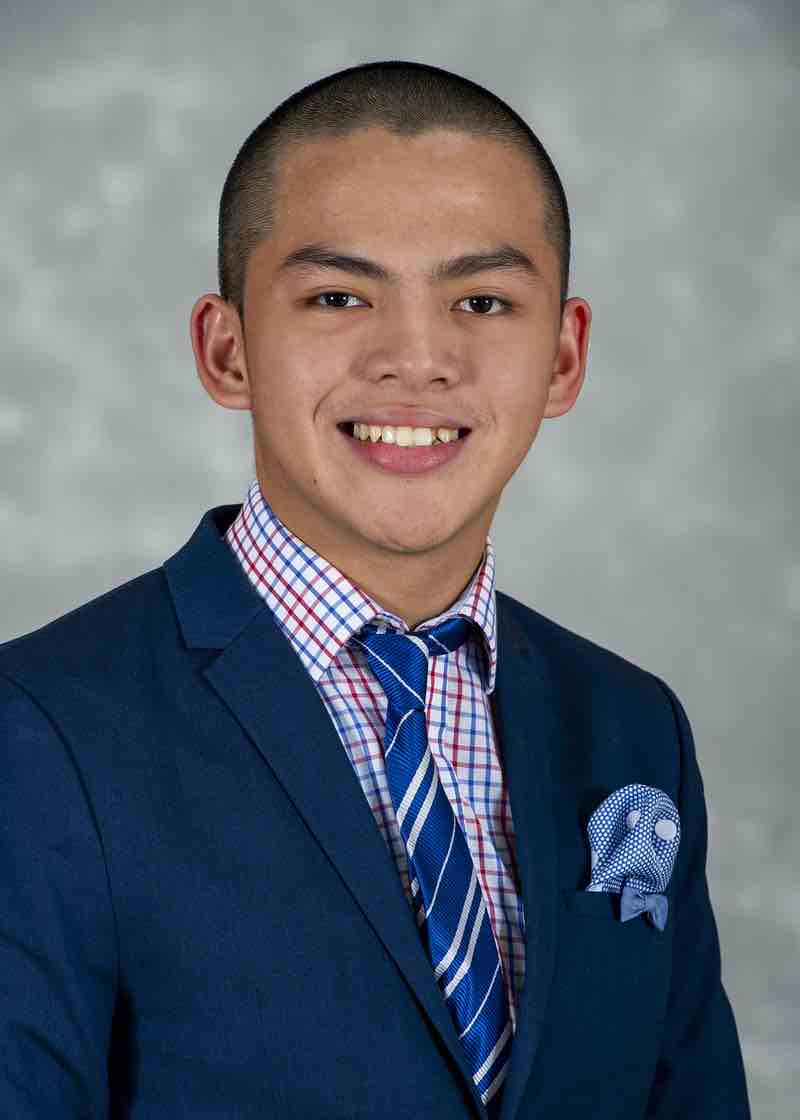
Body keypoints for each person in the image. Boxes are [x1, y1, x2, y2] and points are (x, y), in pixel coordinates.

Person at [0, 59, 750, 1119]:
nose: (416, 358)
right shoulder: (36, 731)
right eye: (338, 296)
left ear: (562, 358)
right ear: (228, 350)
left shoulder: (632, 728)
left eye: (482, 299)